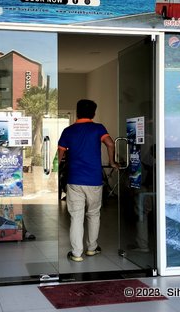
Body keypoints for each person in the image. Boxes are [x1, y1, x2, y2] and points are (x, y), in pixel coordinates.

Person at [57, 99, 118, 262]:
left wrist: (56, 168)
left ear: (77, 112)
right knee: (93, 214)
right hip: (94, 180)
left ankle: (76, 253)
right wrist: (112, 162)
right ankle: (92, 248)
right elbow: (110, 144)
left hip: (75, 179)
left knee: (76, 216)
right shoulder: (98, 129)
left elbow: (60, 152)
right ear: (93, 113)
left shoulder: (68, 131)